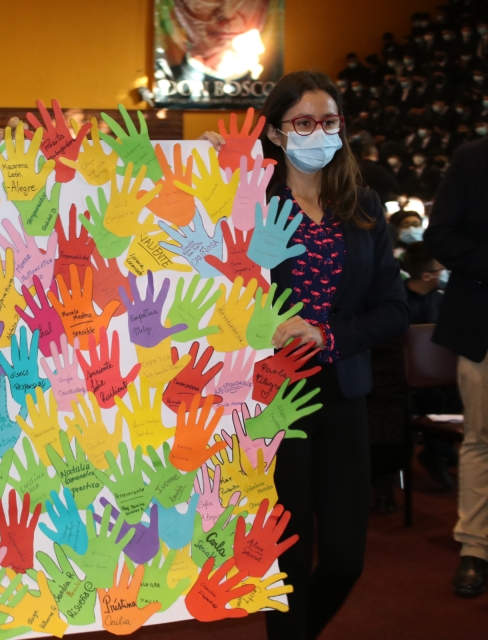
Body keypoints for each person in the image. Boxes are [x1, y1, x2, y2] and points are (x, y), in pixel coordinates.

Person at [207, 69, 409, 639]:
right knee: (287, 560)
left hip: (342, 392)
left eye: (328, 121)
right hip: (274, 401)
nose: (317, 132)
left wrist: (330, 335)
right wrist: (200, 167)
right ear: (275, 132)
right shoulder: (245, 201)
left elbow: (393, 308)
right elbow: (211, 286)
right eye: (302, 122)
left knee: (346, 560)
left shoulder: (364, 206)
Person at [425, 134, 488, 598]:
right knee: (481, 439)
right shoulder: (473, 159)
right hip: (482, 323)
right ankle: (475, 549)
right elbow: (439, 235)